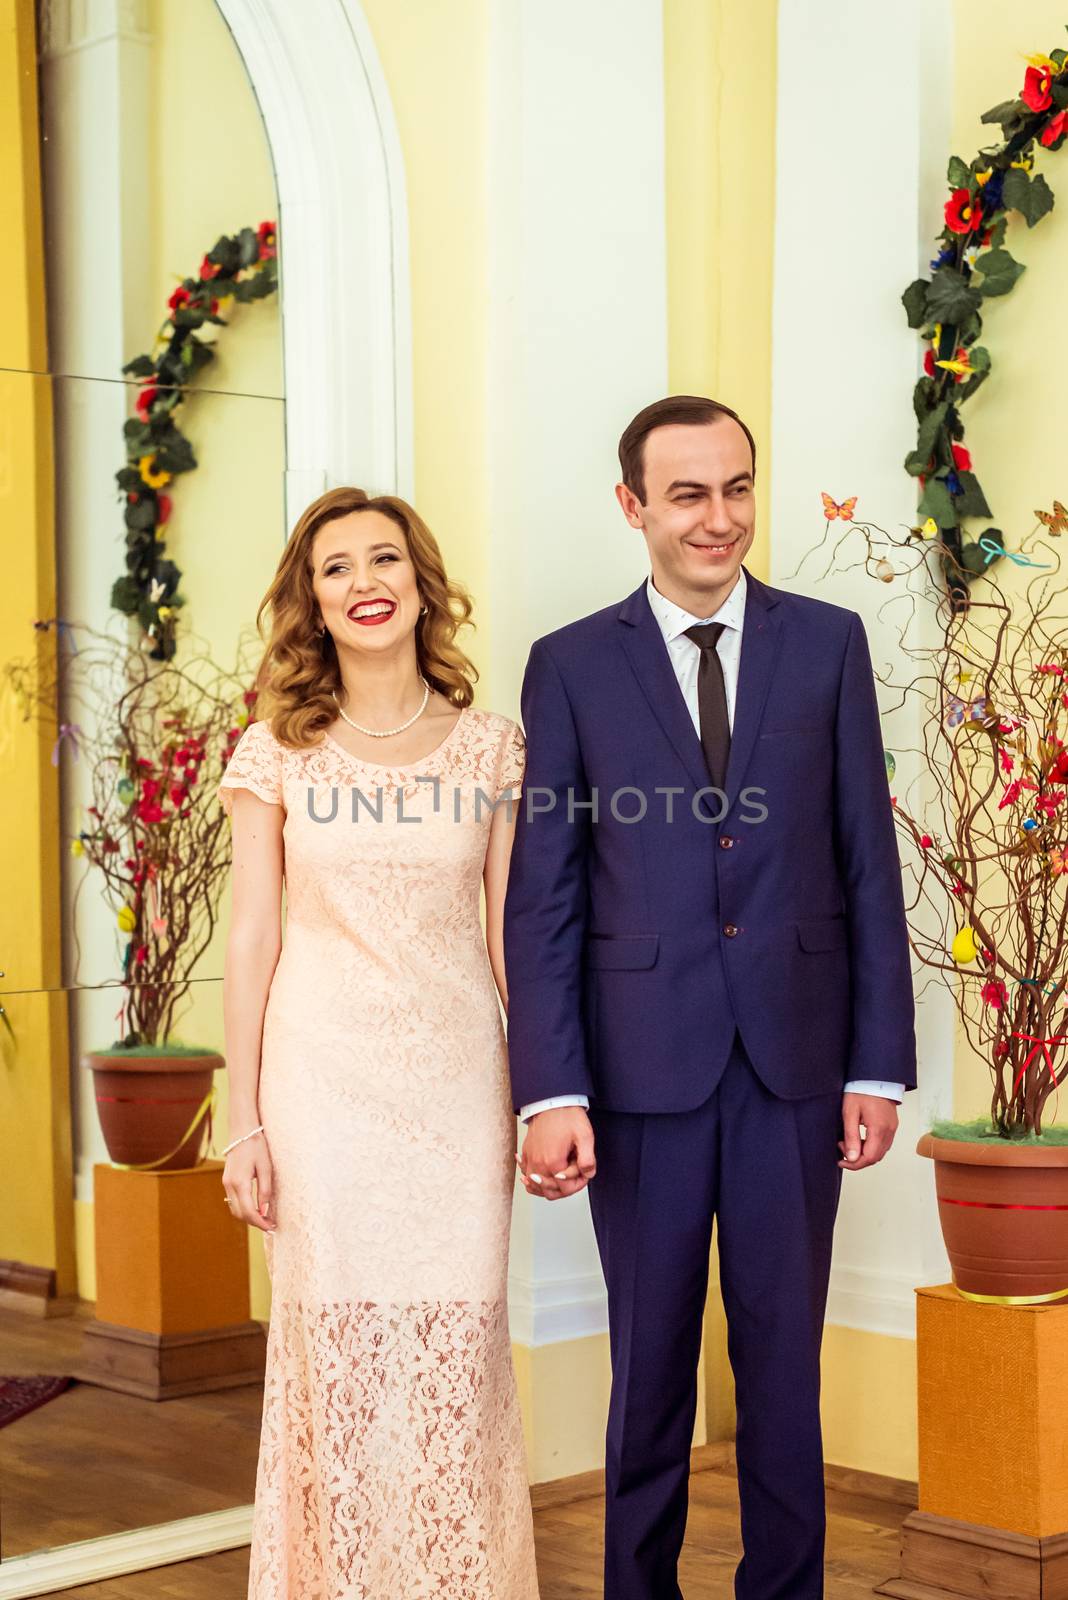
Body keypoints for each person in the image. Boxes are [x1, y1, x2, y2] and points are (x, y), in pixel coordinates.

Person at [504, 396, 916, 1600]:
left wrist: (874, 1066)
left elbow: (864, 860)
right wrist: (552, 1088)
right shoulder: (570, 666)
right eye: (687, 494)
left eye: (736, 487)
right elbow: (547, 894)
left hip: (797, 1068)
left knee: (786, 1370)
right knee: (651, 1375)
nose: (718, 517)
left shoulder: (829, 642)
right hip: (639, 1076)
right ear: (633, 507)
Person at [218, 486, 539, 1600]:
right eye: (338, 567)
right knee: (341, 1361)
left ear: (422, 582)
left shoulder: (494, 746)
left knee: (457, 1353)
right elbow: (252, 937)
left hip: (457, 1091)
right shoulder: (276, 755)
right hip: (322, 1092)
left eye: (385, 560)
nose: (365, 583)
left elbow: (513, 938)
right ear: (312, 601)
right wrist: (243, 1119)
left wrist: (543, 1098)